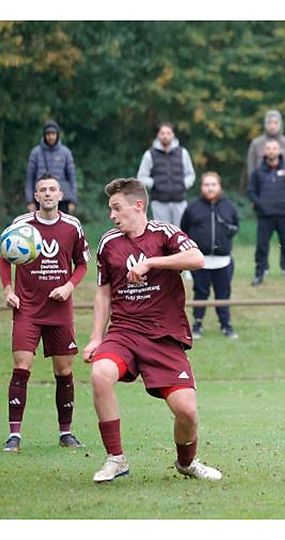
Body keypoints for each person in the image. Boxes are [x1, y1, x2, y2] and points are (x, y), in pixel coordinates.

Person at [83, 177, 220, 483]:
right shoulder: (108, 243)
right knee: (100, 373)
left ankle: (187, 462)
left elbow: (197, 259)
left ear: (138, 205)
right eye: (111, 209)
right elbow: (103, 293)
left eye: (117, 208)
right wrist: (96, 337)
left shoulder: (164, 233)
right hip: (125, 332)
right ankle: (116, 459)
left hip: (164, 335)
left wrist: (150, 263)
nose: (112, 215)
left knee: (186, 412)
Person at [2, 175, 88, 452]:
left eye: (52, 189)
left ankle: (66, 432)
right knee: (21, 368)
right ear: (36, 196)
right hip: (27, 308)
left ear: (60, 194)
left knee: (64, 371)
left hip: (60, 310)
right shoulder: (20, 225)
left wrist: (68, 286)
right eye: (42, 190)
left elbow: (82, 265)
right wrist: (8, 289)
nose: (48, 194)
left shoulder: (72, 226)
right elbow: (3, 258)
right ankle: (14, 436)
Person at [179, 171, 240, 339]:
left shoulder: (229, 206)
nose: (210, 188)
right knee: (200, 292)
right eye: (207, 185)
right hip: (200, 261)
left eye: (213, 184)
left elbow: (236, 225)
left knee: (223, 294)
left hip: (223, 261)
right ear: (202, 187)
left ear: (219, 186)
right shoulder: (192, 207)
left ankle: (226, 325)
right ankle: (197, 324)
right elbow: (184, 230)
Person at [247, 139, 285, 286]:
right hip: (265, 216)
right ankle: (259, 273)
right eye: (269, 148)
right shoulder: (258, 172)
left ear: (279, 151)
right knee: (261, 246)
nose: (271, 151)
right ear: (265, 152)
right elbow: (251, 191)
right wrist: (260, 204)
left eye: (274, 148)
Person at [136, 122, 197, 226]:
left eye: (168, 133)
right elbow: (141, 177)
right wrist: (154, 184)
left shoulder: (182, 152)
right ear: (158, 135)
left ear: (173, 135)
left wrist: (183, 184)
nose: (165, 136)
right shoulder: (150, 154)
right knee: (163, 234)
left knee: (180, 233)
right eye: (162, 133)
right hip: (159, 202)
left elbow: (191, 174)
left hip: (180, 201)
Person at [25, 121, 77, 214]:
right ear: (44, 135)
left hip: (62, 199)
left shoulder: (66, 153)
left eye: (53, 133)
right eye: (48, 134)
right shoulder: (36, 153)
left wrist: (73, 200)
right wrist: (29, 201)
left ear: (57, 135)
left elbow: (72, 178)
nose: (51, 136)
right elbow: (30, 178)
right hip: (41, 197)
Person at [246, 110, 285, 187]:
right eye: (269, 123)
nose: (272, 126)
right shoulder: (256, 144)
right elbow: (251, 169)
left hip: (284, 190)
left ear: (280, 124)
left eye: (275, 123)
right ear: (265, 124)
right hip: (262, 189)